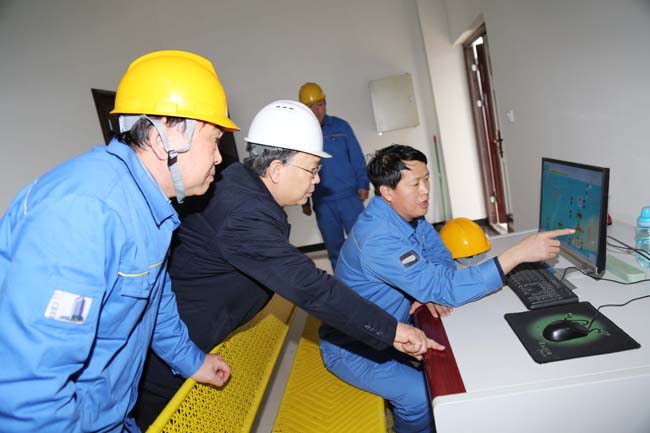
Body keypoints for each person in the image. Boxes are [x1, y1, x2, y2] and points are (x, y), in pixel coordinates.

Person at [134, 101, 439, 429]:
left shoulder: (241, 185)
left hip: (189, 347)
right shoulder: (243, 213)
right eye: (312, 170)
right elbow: (312, 288)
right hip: (166, 366)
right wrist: (392, 331)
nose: (317, 181)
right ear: (277, 169)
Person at [0, 50, 237, 433]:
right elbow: (32, 388)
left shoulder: (149, 207)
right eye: (214, 140)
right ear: (165, 137)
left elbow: (152, 302)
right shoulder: (86, 212)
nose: (219, 158)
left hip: (111, 416)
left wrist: (192, 361)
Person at [319, 144, 575, 433]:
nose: (425, 190)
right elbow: (444, 286)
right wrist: (516, 255)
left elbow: (440, 255)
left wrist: (425, 288)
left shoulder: (407, 214)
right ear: (387, 192)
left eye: (427, 179)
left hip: (392, 328)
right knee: (420, 398)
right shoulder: (378, 238)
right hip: (354, 346)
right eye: (415, 183)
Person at [299, 82, 369, 270]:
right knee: (335, 250)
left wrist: (363, 183)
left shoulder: (341, 127)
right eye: (310, 106)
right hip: (323, 203)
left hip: (350, 198)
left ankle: (371, 279)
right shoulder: (301, 135)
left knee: (363, 244)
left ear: (325, 103)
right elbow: (300, 168)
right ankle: (342, 284)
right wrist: (304, 201)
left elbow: (356, 156)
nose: (316, 110)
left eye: (319, 104)